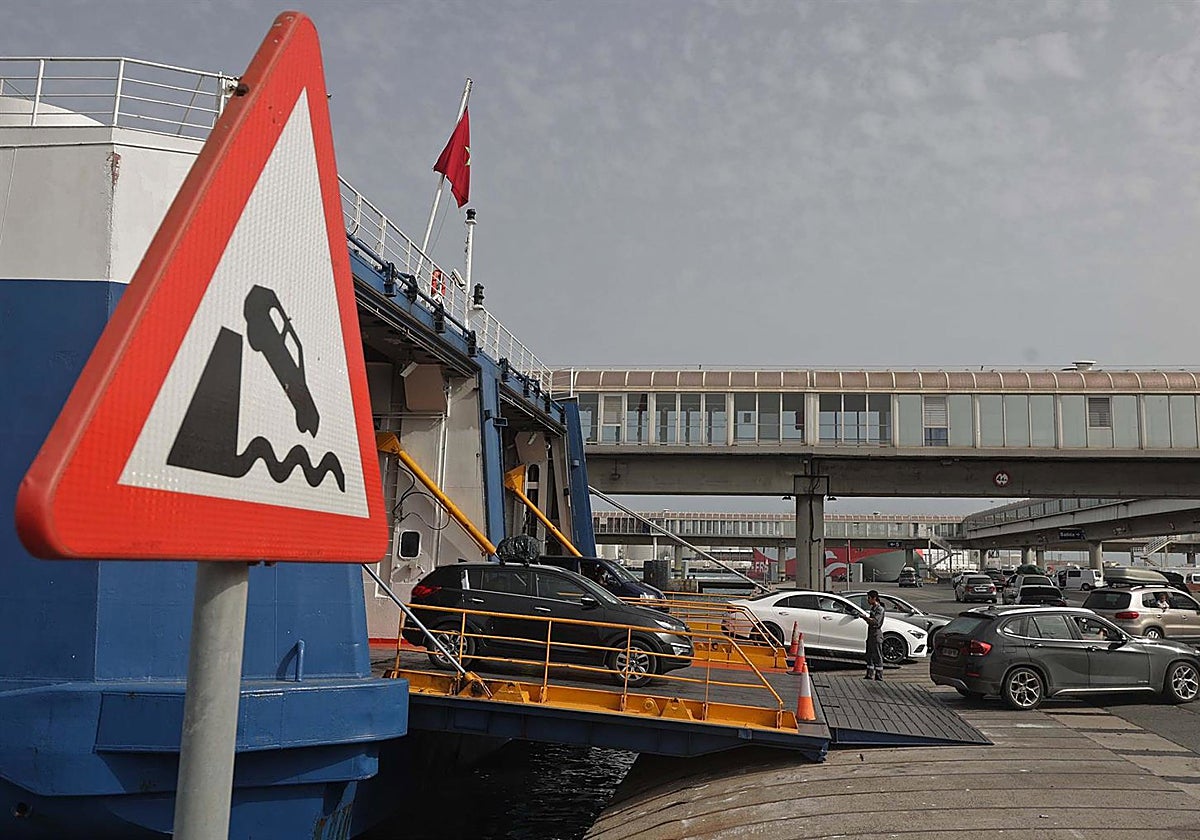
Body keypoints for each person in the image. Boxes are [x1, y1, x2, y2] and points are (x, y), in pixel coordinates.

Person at [863, 590, 886, 681]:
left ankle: (879, 675)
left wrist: (865, 618)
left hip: (876, 635)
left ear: (874, 598)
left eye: (869, 598)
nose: (868, 600)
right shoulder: (873, 608)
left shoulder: (879, 609)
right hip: (871, 634)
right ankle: (869, 674)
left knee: (877, 655)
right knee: (870, 655)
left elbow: (876, 622)